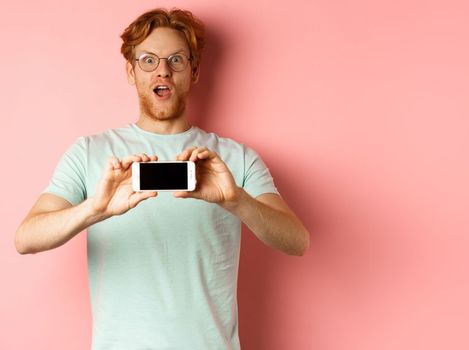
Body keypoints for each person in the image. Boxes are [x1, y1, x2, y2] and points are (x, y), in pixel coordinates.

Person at [14, 7, 310, 350]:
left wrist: (236, 201)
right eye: (149, 60)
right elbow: (26, 238)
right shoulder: (89, 152)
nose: (163, 71)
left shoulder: (235, 158)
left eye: (177, 60)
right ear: (131, 71)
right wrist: (93, 210)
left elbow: (297, 241)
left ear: (194, 70)